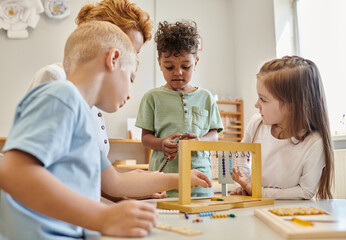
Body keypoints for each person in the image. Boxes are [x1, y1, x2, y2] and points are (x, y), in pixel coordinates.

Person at [0, 21, 211, 239]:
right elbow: (13, 172)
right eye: (130, 78)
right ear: (113, 60)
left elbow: (115, 182)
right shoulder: (62, 95)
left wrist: (182, 177)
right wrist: (103, 217)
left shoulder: (82, 117)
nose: (129, 94)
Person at [26, 0, 152, 158]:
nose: (130, 61)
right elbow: (32, 163)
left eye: (135, 54)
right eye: (127, 50)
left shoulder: (96, 98)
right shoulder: (55, 79)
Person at [135, 20, 223, 198]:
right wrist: (161, 143)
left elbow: (214, 134)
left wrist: (199, 141)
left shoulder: (206, 97)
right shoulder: (152, 97)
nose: (178, 72)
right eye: (169, 66)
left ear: (196, 62)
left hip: (200, 182)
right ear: (159, 63)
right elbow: (145, 138)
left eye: (186, 66)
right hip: (162, 182)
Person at [230, 56, 334, 200]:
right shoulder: (256, 124)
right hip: (257, 207)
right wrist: (244, 185)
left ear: (292, 105)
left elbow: (305, 191)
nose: (256, 104)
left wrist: (256, 190)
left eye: (263, 99)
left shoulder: (314, 142)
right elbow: (241, 154)